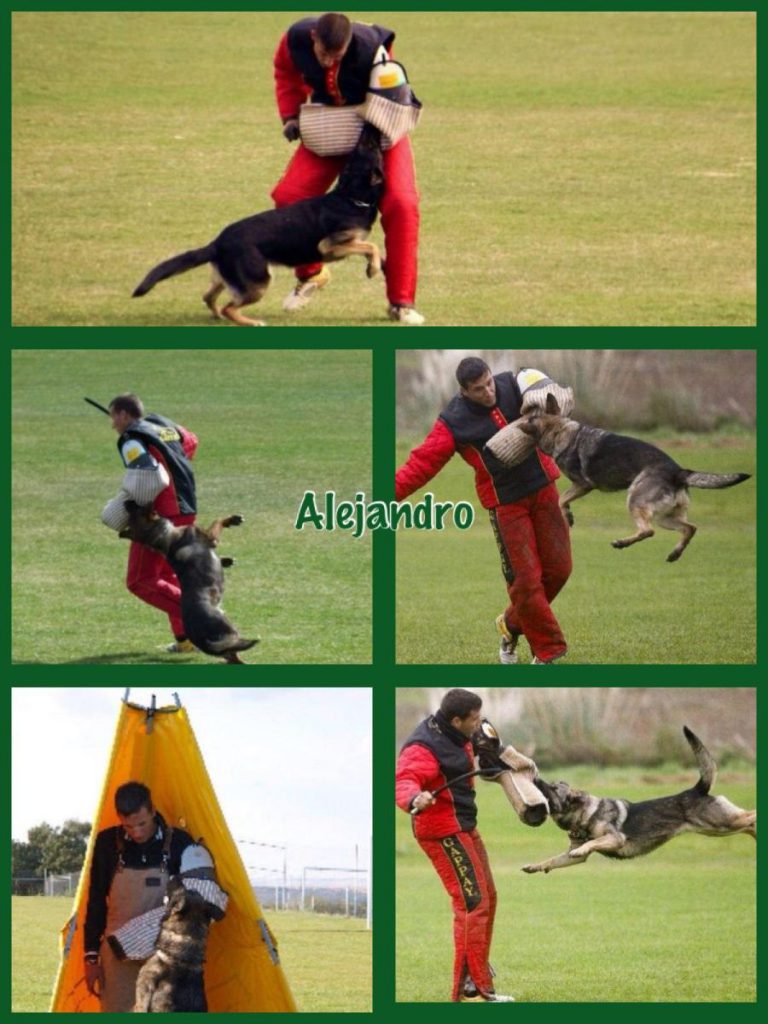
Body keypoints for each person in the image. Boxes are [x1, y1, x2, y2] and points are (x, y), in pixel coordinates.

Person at [395, 356, 572, 664]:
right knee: (525, 582)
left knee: (560, 570)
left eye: (489, 383)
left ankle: (510, 623)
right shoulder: (453, 421)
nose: (489, 392)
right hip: (507, 503)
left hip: (544, 488)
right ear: (464, 391)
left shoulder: (513, 385)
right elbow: (422, 463)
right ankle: (548, 651)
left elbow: (549, 399)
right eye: (479, 389)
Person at [272, 11, 424, 325]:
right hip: (329, 127)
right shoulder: (294, 39)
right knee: (289, 197)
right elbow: (284, 72)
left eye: (336, 55)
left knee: (402, 203)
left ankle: (401, 302)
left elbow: (394, 97)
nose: (328, 62)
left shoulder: (374, 50)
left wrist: (372, 142)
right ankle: (311, 274)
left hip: (379, 128)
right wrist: (290, 115)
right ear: (314, 37)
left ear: (349, 43)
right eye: (323, 54)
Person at [395, 689, 514, 1003]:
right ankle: (474, 986)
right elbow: (404, 778)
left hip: (464, 825)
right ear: (456, 720)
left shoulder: (463, 729)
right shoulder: (423, 747)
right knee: (472, 904)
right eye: (474, 719)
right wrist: (413, 797)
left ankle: (474, 981)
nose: (479, 723)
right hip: (441, 830)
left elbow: (487, 757)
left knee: (487, 896)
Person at [83, 782, 197, 1012]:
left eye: (142, 824)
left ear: (153, 811)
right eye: (128, 826)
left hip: (164, 955)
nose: (136, 832)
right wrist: (91, 957)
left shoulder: (180, 843)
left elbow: (196, 902)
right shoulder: (106, 843)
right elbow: (96, 901)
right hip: (116, 956)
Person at [108, 394, 198, 653]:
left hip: (162, 514)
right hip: (186, 506)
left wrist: (130, 507)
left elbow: (147, 474)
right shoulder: (161, 423)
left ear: (124, 414)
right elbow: (191, 441)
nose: (113, 424)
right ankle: (187, 640)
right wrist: (173, 465)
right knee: (168, 574)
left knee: (141, 579)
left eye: (114, 417)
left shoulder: (129, 439)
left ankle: (202, 615)